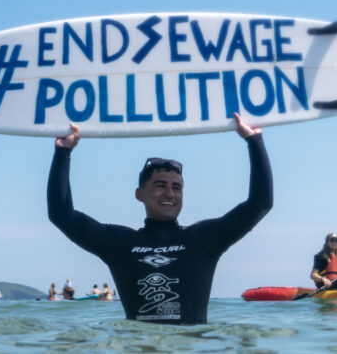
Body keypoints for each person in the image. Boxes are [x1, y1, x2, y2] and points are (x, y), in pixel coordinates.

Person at [47, 113, 273, 324]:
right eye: (160, 185)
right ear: (140, 194)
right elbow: (61, 215)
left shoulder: (205, 239)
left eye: (177, 187)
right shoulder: (119, 243)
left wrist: (255, 141)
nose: (170, 194)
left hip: (191, 347)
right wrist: (63, 152)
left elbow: (260, 203)